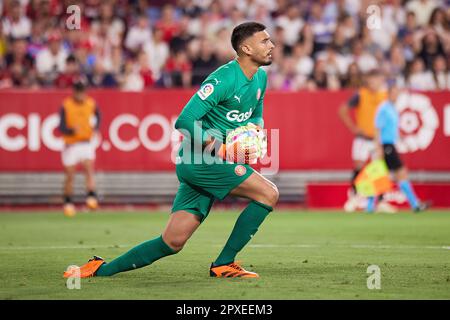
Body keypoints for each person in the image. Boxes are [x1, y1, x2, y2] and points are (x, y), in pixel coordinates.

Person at [63, 22, 278, 279]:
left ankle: (100, 269)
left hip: (206, 163)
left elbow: (257, 112)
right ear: (246, 48)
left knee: (172, 242)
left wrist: (255, 130)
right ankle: (224, 263)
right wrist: (220, 147)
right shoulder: (223, 79)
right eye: (264, 41)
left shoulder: (261, 78)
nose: (271, 45)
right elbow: (184, 121)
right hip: (200, 160)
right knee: (268, 193)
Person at [338, 69, 396, 213]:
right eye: (372, 80)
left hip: (378, 139)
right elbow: (343, 110)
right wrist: (353, 128)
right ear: (368, 80)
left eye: (377, 80)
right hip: (362, 138)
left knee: (380, 169)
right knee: (359, 167)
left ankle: (381, 200)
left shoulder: (385, 96)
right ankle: (353, 197)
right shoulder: (361, 94)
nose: (374, 83)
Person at [368, 84, 429, 213]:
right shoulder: (384, 108)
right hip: (386, 145)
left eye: (397, 93)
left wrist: (401, 138)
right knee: (400, 172)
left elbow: (391, 128)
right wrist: (378, 147)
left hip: (390, 144)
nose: (396, 96)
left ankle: (369, 207)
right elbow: (377, 128)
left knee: (380, 174)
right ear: (389, 93)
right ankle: (414, 204)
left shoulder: (392, 109)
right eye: (394, 93)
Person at [59, 79, 101, 217]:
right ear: (74, 91)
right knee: (70, 175)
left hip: (86, 142)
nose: (81, 94)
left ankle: (91, 198)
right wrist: (71, 131)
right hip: (71, 144)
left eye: (82, 91)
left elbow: (98, 116)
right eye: (78, 91)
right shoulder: (66, 105)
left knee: (89, 169)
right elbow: (61, 127)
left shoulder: (91, 103)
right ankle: (68, 202)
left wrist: (95, 128)